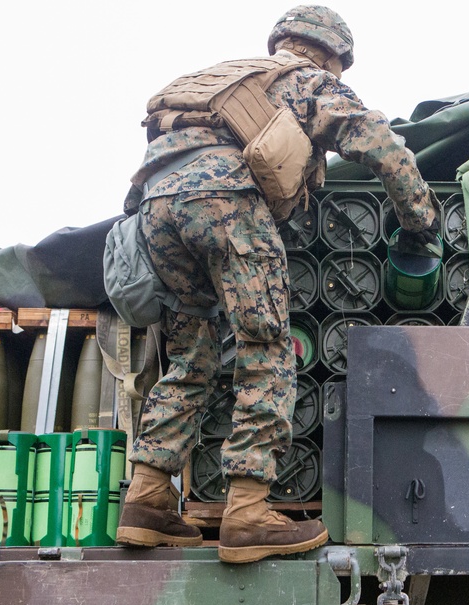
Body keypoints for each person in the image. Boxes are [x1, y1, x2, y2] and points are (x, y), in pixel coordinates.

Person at [115, 4, 439, 563]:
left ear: (282, 40)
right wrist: (420, 219)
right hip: (228, 204)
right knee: (266, 348)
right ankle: (247, 512)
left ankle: (146, 502)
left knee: (191, 358)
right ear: (333, 54)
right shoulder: (308, 82)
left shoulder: (221, 78)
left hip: (154, 211)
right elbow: (377, 141)